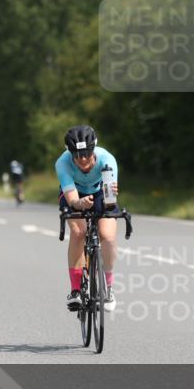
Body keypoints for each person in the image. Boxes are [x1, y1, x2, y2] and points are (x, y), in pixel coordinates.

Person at [55, 125, 118, 313]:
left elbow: (109, 200)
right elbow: (72, 198)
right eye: (77, 155)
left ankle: (108, 288)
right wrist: (79, 203)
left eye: (87, 154)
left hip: (100, 192)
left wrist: (109, 200)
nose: (82, 160)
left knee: (107, 235)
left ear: (94, 150)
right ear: (70, 153)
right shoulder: (62, 163)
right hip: (74, 193)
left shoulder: (108, 160)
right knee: (78, 231)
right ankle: (75, 290)